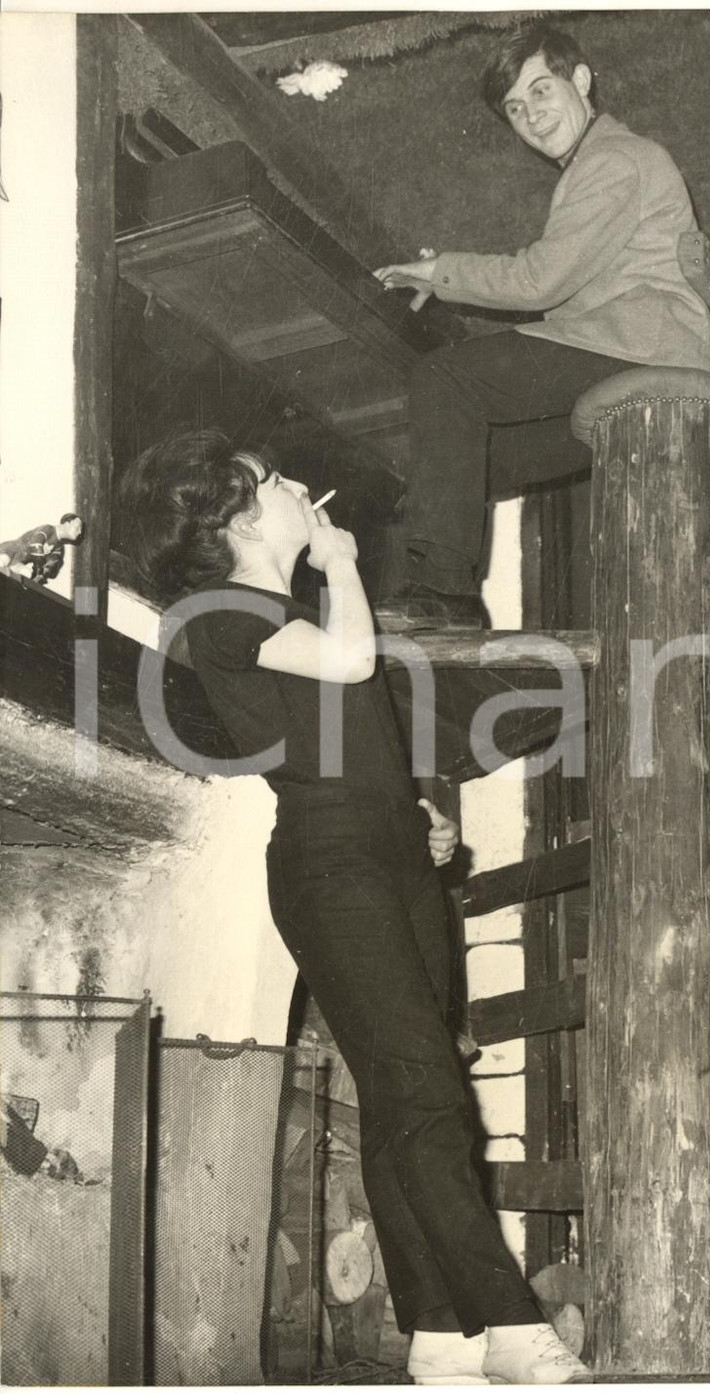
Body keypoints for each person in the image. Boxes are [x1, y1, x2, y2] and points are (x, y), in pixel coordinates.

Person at [116, 429, 590, 1385]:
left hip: (388, 857)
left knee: (403, 1095)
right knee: (426, 1089)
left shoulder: (285, 613)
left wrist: (415, 814)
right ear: (240, 517)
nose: (300, 486)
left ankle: (439, 1330)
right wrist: (342, 565)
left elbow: (340, 733)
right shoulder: (218, 613)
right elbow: (348, 663)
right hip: (330, 867)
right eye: (275, 480)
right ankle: (509, 1322)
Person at [375, 21, 710, 629]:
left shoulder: (615, 159)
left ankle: (444, 594)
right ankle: (434, 587)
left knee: (444, 380)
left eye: (540, 91)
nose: (531, 116)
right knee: (478, 460)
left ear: (581, 81)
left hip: (640, 345)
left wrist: (440, 272)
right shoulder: (595, 165)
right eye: (515, 108)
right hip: (623, 348)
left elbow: (540, 281)